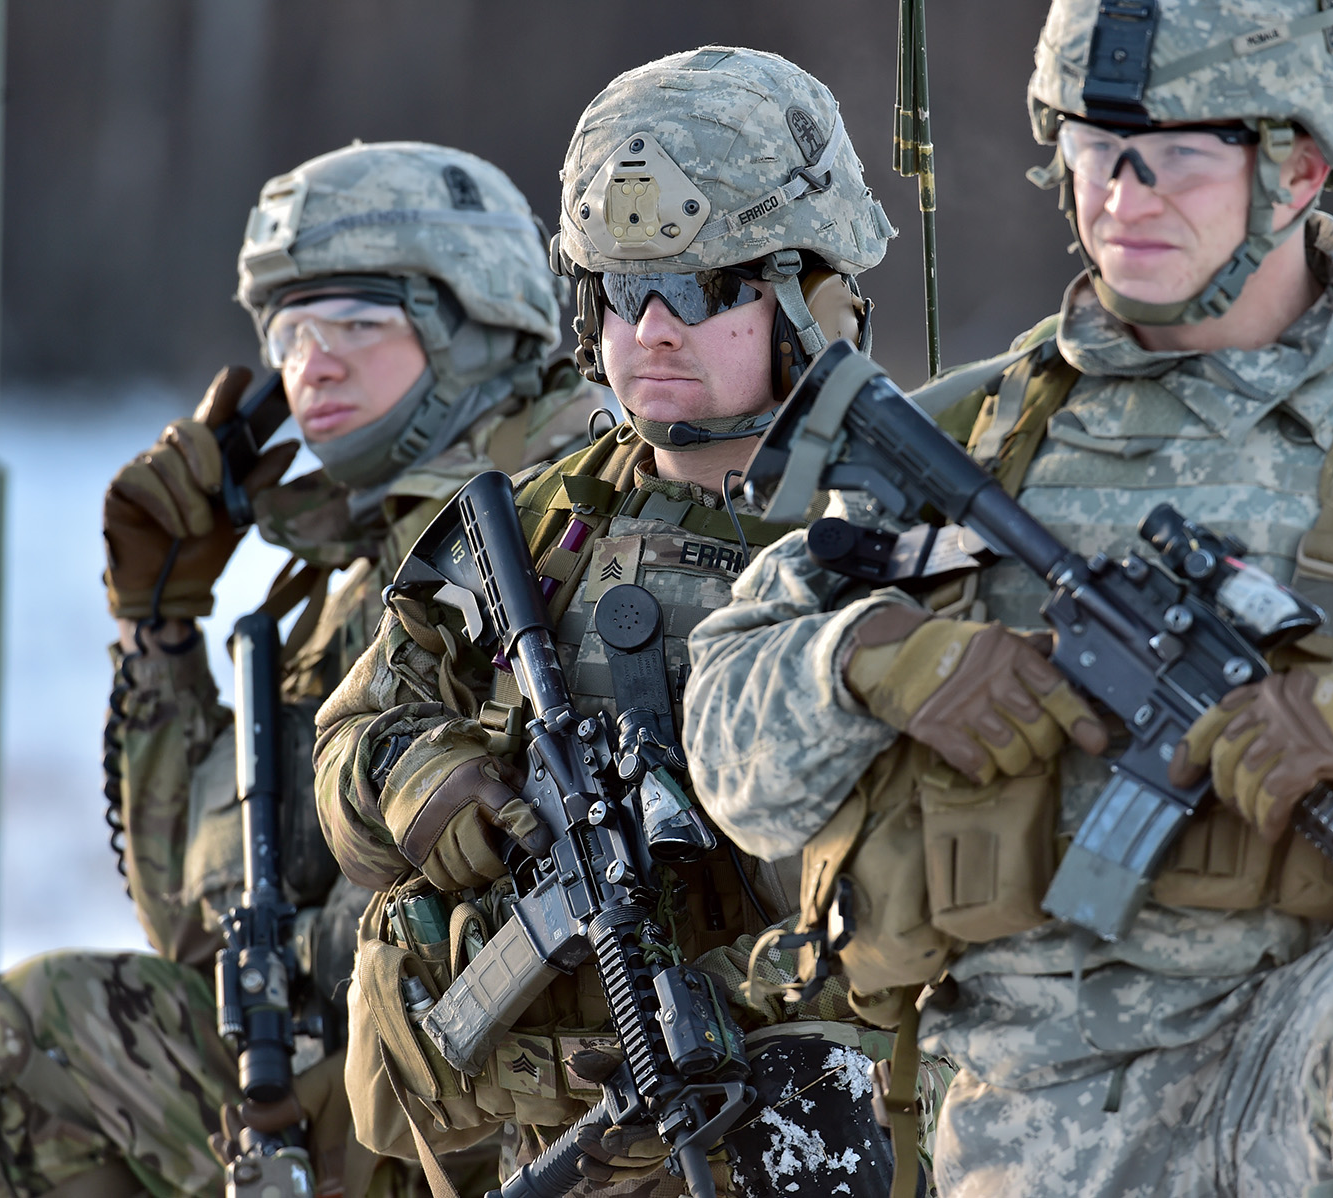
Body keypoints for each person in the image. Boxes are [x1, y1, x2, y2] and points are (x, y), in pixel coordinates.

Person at [680, 3, 1333, 1196]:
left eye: (1177, 154)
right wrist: (872, 661)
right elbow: (730, 757)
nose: (1123, 195)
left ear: (1301, 167)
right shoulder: (973, 446)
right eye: (1096, 148)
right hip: (1039, 1131)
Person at [310, 47, 934, 1197]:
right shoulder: (538, 527)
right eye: (618, 291)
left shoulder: (912, 533)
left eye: (699, 291)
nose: (651, 329)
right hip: (537, 1137)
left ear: (813, 290)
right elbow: (357, 738)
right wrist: (423, 781)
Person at [0, 141, 597, 1198]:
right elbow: (207, 928)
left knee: (26, 1037)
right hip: (364, 1081)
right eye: (288, 332)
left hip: (505, 1107)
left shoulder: (546, 522)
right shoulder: (368, 557)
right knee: (22, 1049)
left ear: (482, 321)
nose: (310, 365)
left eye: (357, 325)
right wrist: (160, 634)